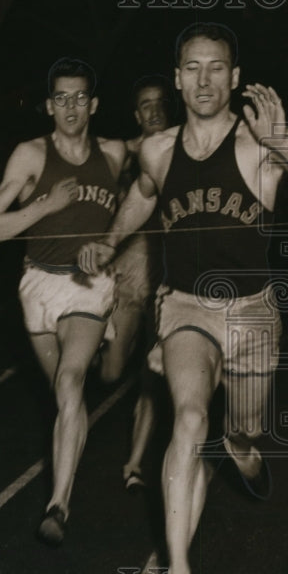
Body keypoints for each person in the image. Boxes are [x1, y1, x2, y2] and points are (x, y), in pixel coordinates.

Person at [80, 22, 288, 574]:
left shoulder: (260, 146)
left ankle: (245, 447)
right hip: (185, 309)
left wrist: (286, 145)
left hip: (253, 313)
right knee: (189, 418)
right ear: (178, 78)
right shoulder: (157, 149)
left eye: (216, 68)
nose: (204, 79)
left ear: (234, 78)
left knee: (243, 431)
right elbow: (145, 196)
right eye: (192, 68)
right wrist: (108, 240)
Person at [0, 57, 125, 546]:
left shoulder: (115, 153)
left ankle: (59, 502)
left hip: (88, 285)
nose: (70, 107)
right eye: (61, 97)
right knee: (67, 397)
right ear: (48, 105)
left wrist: (114, 253)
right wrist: (45, 205)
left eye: (80, 97)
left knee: (70, 378)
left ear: (94, 104)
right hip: (38, 286)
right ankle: (62, 489)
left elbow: (147, 198)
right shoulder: (30, 156)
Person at [100, 76, 173, 491]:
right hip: (129, 276)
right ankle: (95, 345)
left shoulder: (184, 148)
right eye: (146, 104)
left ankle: (134, 462)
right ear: (136, 114)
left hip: (171, 281)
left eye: (160, 102)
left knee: (153, 378)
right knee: (110, 374)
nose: (154, 110)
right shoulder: (124, 154)